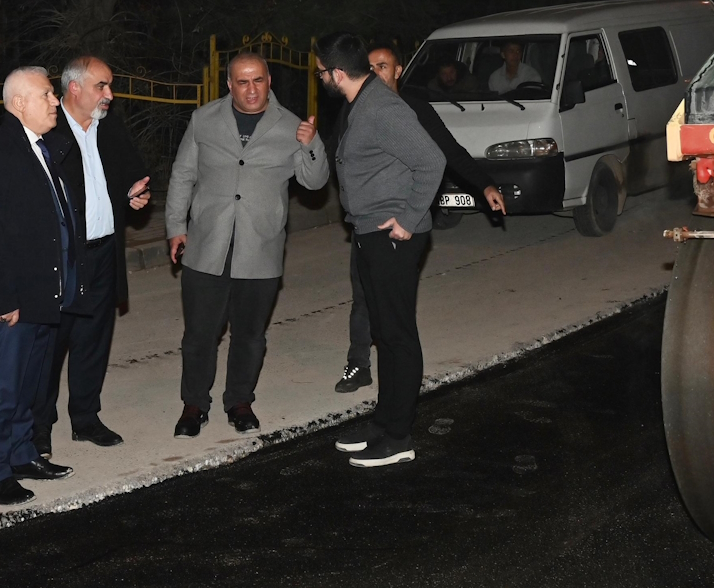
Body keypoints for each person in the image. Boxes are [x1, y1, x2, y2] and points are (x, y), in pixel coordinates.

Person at [165, 52, 329, 437]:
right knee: (200, 334)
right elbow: (183, 174)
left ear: (269, 81)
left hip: (260, 248)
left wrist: (312, 143)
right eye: (242, 81)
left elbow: (315, 182)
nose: (251, 89)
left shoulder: (291, 125)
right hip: (207, 244)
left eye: (258, 80)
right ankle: (194, 405)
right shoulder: (204, 119)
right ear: (229, 84)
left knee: (250, 335)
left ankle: (240, 402)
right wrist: (175, 225)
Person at [331, 45, 507, 392]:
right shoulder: (354, 110)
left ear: (398, 71)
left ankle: (397, 386)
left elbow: (448, 152)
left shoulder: (413, 109)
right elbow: (337, 155)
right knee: (363, 295)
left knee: (394, 307)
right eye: (370, 66)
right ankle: (359, 364)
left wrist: (484, 183)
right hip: (365, 222)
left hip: (400, 223)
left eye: (383, 66)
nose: (375, 72)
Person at [317, 33, 445, 468]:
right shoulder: (361, 102)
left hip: (393, 235)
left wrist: (408, 219)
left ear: (337, 73)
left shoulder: (384, 108)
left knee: (398, 335)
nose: (321, 79)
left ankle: (399, 436)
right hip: (370, 231)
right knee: (384, 334)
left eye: (322, 72)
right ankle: (384, 421)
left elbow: (433, 161)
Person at [0, 65, 80, 505]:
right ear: (19, 104)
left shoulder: (42, 147)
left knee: (30, 382)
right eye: (47, 95)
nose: (55, 102)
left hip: (43, 290)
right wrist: (2, 298)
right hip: (13, 297)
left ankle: (22, 453)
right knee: (3, 386)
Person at [39, 56, 152, 455]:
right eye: (101, 86)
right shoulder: (49, 135)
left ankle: (85, 419)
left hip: (104, 251)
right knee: (52, 344)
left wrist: (134, 194)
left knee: (93, 340)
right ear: (74, 89)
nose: (110, 94)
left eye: (109, 86)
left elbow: (130, 175)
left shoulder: (110, 129)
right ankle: (39, 427)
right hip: (66, 258)